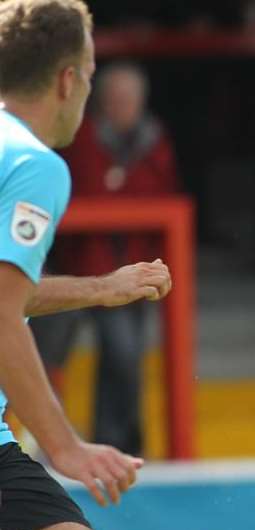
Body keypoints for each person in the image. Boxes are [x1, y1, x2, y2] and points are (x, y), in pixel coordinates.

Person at [0, 0, 172, 530]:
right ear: (69, 79)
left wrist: (100, 288)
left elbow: (9, 292)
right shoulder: (36, 165)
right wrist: (66, 446)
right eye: (94, 72)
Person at [33, 61, 180, 456]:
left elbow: (165, 203)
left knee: (125, 357)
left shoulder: (156, 143)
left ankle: (117, 447)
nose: (122, 107)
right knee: (41, 357)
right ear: (100, 102)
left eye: (129, 99)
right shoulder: (75, 139)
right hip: (70, 270)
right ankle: (40, 445)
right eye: (115, 99)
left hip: (126, 274)